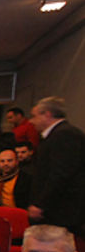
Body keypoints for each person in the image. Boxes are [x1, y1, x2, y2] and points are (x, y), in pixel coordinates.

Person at [28, 96, 85, 237]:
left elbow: (61, 174)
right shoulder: (57, 135)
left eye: (34, 116)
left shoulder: (65, 134)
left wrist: (41, 204)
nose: (31, 121)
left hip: (61, 209)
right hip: (56, 207)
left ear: (47, 114)